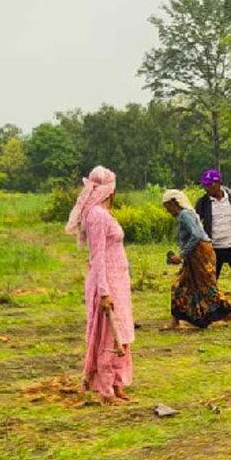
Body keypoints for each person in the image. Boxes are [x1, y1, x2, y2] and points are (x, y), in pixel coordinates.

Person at [65, 166, 134, 403]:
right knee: (108, 335)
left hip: (118, 280)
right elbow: (98, 256)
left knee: (121, 331)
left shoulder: (104, 214)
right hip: (107, 282)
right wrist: (104, 291)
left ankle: (117, 381)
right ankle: (105, 388)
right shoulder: (97, 215)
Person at [162, 190, 231, 331]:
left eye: (167, 206)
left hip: (200, 253)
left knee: (209, 290)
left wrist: (181, 255)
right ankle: (175, 321)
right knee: (180, 286)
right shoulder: (185, 215)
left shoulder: (185, 215)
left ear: (174, 202)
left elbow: (196, 236)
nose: (167, 210)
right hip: (195, 253)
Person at [194, 169, 231, 318]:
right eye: (205, 185)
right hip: (213, 248)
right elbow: (196, 224)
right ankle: (210, 309)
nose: (207, 188)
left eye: (210, 185)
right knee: (210, 280)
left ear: (219, 183)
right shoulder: (203, 203)